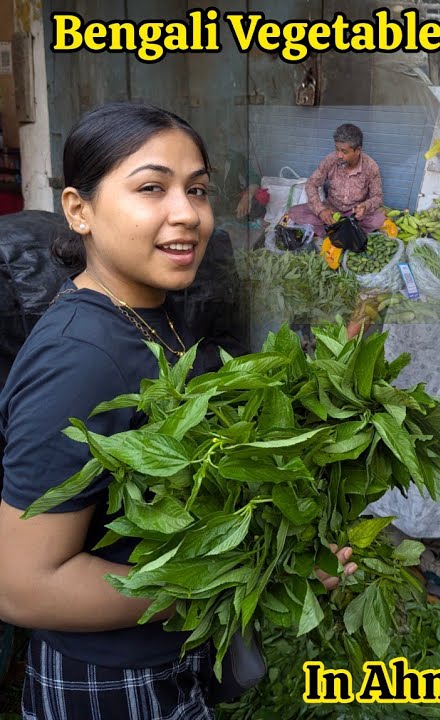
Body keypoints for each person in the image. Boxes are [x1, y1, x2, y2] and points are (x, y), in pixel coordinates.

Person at [0, 103, 356, 719]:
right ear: (79, 210)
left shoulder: (147, 313)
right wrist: (236, 575)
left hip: (163, 659)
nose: (186, 213)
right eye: (150, 188)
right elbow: (23, 585)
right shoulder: (82, 358)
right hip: (111, 685)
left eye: (197, 189)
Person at [288, 123, 387, 238]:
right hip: (331, 209)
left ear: (358, 150)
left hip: (355, 213)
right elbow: (311, 184)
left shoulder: (371, 166)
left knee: (378, 219)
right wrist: (321, 210)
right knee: (294, 212)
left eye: (344, 152)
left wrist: (365, 206)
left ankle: (348, 233)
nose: (339, 155)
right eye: (337, 149)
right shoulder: (331, 160)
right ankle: (332, 234)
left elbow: (378, 197)